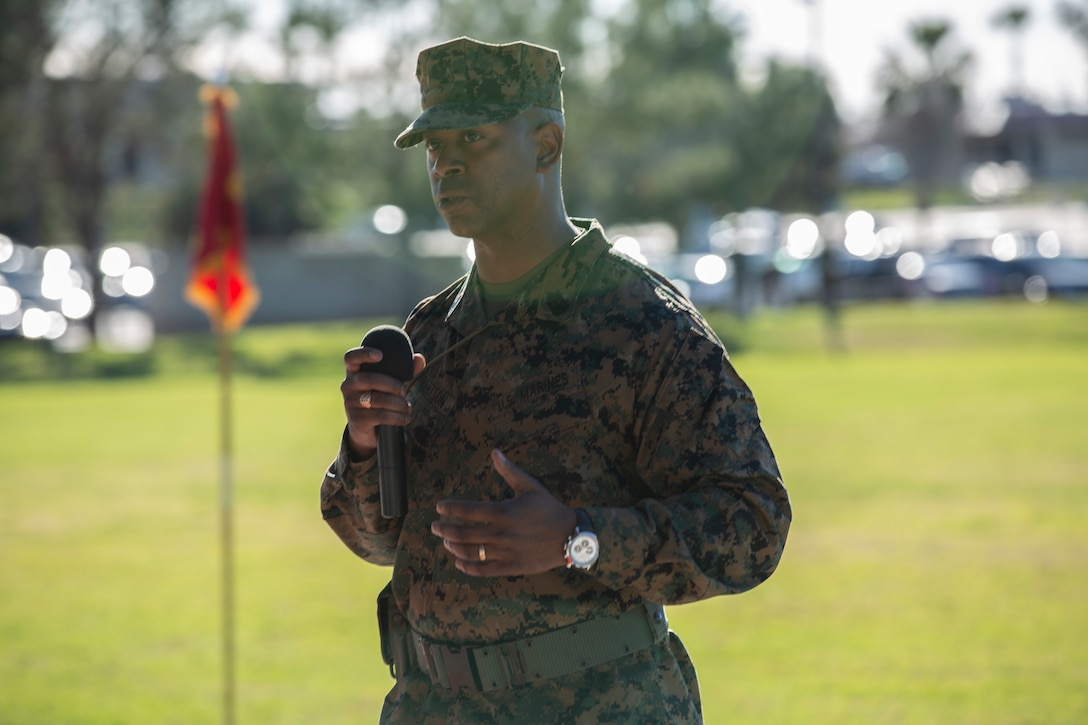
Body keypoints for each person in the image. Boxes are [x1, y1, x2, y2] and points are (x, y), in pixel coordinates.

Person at [320, 36, 791, 724]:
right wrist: (364, 447)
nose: (445, 164)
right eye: (433, 147)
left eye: (473, 138)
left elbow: (754, 524)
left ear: (545, 144)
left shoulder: (643, 325)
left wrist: (579, 537)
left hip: (598, 705)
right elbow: (379, 539)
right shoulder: (428, 337)